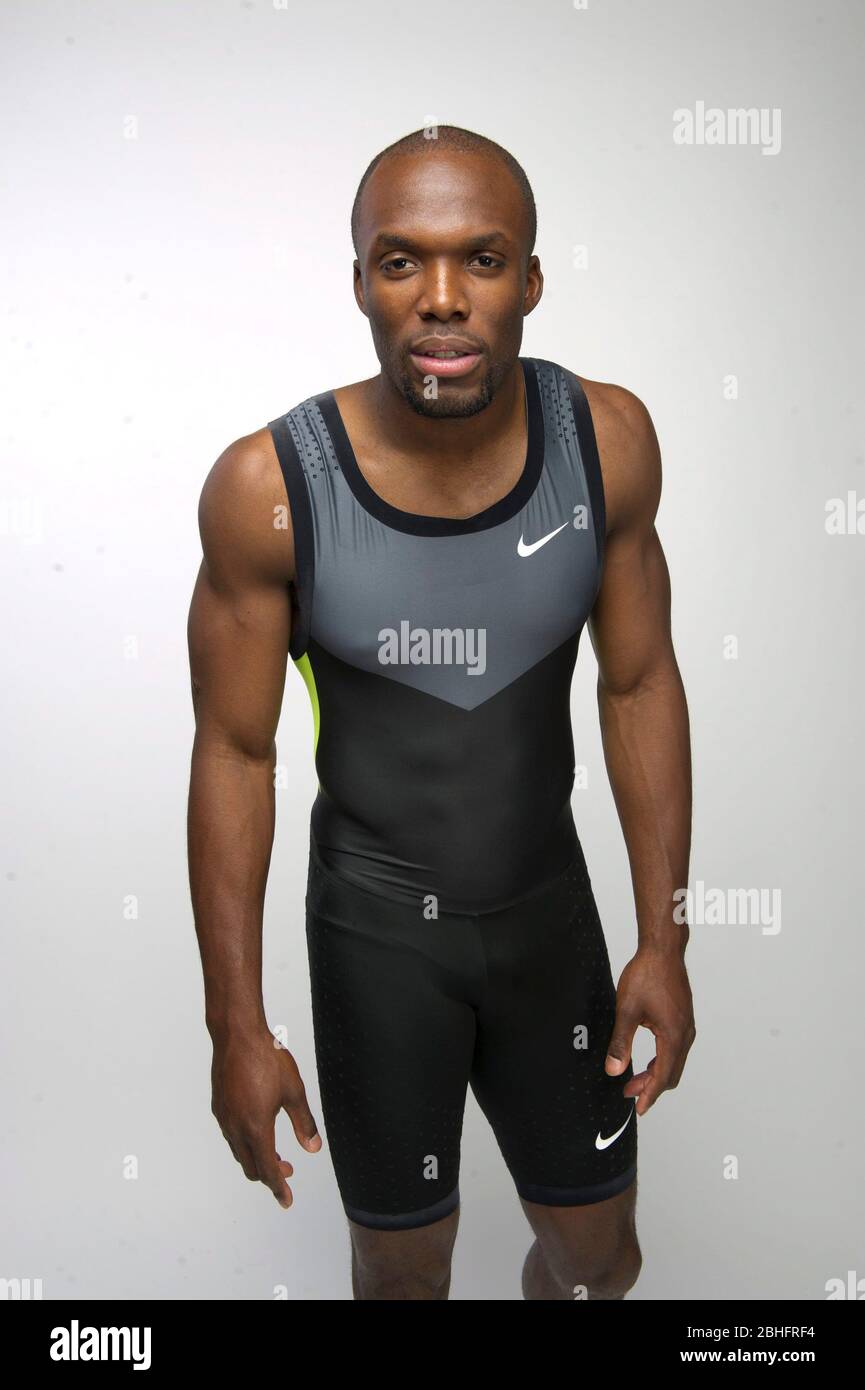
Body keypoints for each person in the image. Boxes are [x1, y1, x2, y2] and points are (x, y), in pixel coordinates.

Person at [186, 125, 695, 1301]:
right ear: (360, 278)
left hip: (544, 926)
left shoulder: (605, 442)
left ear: (530, 278)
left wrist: (664, 940)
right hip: (377, 944)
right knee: (401, 1276)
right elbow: (233, 749)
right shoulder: (268, 488)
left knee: (594, 1262)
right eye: (401, 262)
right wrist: (236, 1025)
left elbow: (640, 683)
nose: (443, 299)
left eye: (481, 258)